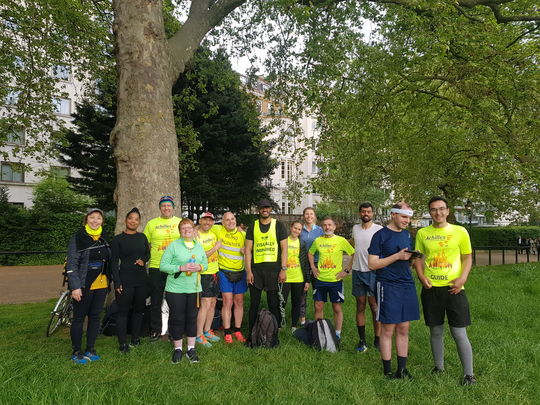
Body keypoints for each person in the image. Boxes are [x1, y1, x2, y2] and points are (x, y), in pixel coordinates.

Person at [414, 197, 476, 386]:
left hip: (454, 289)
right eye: (433, 210)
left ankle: (468, 375)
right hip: (432, 289)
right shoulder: (423, 233)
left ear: (448, 211)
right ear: (429, 212)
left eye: (441, 209)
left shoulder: (460, 231)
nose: (438, 213)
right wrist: (421, 276)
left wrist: (462, 278)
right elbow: (418, 258)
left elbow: (467, 258)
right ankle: (438, 367)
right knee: (436, 331)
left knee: (459, 333)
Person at [368, 203, 420, 379]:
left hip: (406, 284)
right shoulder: (380, 236)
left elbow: (407, 261)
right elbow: (372, 264)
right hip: (387, 286)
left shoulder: (406, 235)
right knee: (388, 329)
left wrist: (412, 257)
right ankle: (388, 371)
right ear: (393, 215)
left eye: (409, 217)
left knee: (404, 328)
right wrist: (397, 256)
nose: (407, 220)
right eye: (404, 216)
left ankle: (402, 369)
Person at [66, 208, 111, 364]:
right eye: (92, 217)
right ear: (86, 219)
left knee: (95, 317)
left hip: (102, 283)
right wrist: (75, 286)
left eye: (98, 218)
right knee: (79, 318)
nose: (95, 220)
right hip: (84, 284)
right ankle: (77, 351)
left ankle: (90, 349)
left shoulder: (104, 237)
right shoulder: (78, 237)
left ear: (102, 221)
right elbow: (72, 263)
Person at [160, 218, 208, 363]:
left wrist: (199, 267)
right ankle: (178, 349)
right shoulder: (173, 246)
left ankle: (191, 349)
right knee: (177, 318)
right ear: (179, 231)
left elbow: (205, 264)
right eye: (183, 228)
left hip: (194, 288)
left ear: (194, 230)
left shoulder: (198, 247)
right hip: (175, 288)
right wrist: (180, 268)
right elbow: (163, 266)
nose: (187, 230)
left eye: (189, 228)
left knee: (192, 318)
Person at [110, 208, 150, 354]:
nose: (133, 221)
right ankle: (122, 343)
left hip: (141, 280)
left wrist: (143, 260)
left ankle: (135, 338)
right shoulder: (117, 239)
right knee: (123, 312)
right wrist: (117, 282)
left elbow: (148, 253)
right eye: (131, 218)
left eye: (136, 219)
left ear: (139, 222)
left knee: (139, 310)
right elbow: (114, 262)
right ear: (126, 220)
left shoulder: (142, 237)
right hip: (125, 279)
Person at [245, 199, 288, 333]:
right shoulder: (253, 226)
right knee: (254, 304)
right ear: (259, 209)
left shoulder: (279, 225)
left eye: (267, 207)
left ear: (270, 209)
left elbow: (284, 248)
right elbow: (247, 250)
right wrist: (248, 271)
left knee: (273, 304)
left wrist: (283, 269)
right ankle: (251, 333)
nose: (265, 209)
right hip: (256, 271)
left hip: (274, 271)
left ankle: (274, 333)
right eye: (262, 207)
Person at [308, 217, 355, 339]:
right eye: (325, 225)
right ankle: (320, 331)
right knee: (318, 305)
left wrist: (346, 270)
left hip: (336, 280)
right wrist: (313, 267)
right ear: (322, 227)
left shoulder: (341, 240)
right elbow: (310, 253)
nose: (327, 227)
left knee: (336, 307)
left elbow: (353, 254)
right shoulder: (318, 240)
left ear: (334, 226)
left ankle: (337, 333)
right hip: (320, 279)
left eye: (330, 225)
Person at [143, 196, 181, 341]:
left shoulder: (179, 222)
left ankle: (174, 331)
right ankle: (156, 330)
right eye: (163, 205)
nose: (166, 208)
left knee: (175, 301)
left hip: (176, 267)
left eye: (169, 205)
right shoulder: (152, 224)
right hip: (156, 266)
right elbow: (144, 243)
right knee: (156, 300)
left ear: (173, 207)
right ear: (160, 208)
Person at [211, 211, 248, 343]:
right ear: (222, 222)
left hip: (240, 272)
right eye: (227, 220)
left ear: (236, 220)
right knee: (227, 302)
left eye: (232, 219)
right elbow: (203, 225)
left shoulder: (243, 234)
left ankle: (237, 330)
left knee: (239, 302)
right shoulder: (217, 229)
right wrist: (196, 230)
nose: (230, 222)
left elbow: (252, 250)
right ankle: (227, 332)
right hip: (224, 272)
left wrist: (247, 250)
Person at [351, 202, 383, 352]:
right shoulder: (355, 228)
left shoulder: (379, 230)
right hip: (358, 272)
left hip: (373, 272)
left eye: (369, 212)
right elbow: (354, 248)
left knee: (374, 307)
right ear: (360, 213)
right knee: (360, 306)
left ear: (372, 213)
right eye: (363, 211)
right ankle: (362, 340)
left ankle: (378, 339)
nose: (366, 214)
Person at [194, 212, 221, 347]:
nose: (207, 223)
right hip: (203, 273)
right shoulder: (196, 236)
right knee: (205, 303)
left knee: (213, 302)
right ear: (200, 220)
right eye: (205, 220)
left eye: (210, 221)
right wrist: (215, 248)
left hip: (215, 272)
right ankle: (199, 335)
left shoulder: (213, 233)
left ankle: (207, 331)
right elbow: (200, 256)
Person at [280, 221, 310, 331]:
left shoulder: (302, 243)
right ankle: (280, 324)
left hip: (298, 278)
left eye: (299, 229)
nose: (296, 231)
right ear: (290, 227)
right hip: (285, 277)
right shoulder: (283, 241)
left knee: (296, 303)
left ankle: (293, 325)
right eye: (295, 228)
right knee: (282, 301)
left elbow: (305, 262)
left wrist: (307, 280)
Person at [298, 207, 324, 325]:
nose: (309, 216)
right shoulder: (299, 230)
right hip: (302, 264)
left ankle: (318, 320)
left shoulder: (320, 230)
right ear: (304, 216)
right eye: (307, 214)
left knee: (317, 292)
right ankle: (302, 319)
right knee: (303, 292)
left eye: (311, 214)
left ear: (315, 216)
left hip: (317, 264)